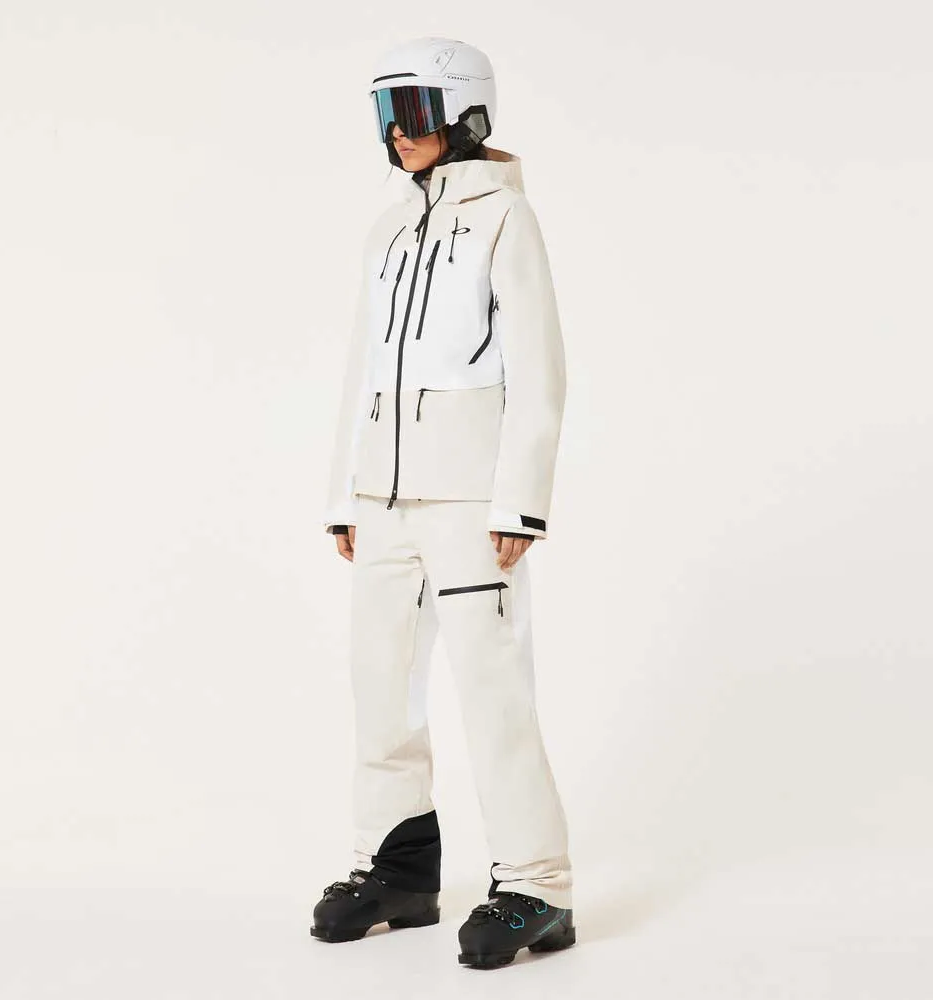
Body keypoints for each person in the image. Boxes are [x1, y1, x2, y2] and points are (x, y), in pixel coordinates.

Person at [311, 36, 574, 970]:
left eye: (413, 111)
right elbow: (362, 366)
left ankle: (538, 886)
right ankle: (396, 871)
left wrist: (520, 503)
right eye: (385, 114)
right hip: (383, 502)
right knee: (379, 688)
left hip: (471, 502)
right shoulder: (388, 231)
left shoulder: (506, 219)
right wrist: (344, 493)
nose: (397, 133)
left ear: (466, 114)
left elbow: (539, 367)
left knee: (492, 691)